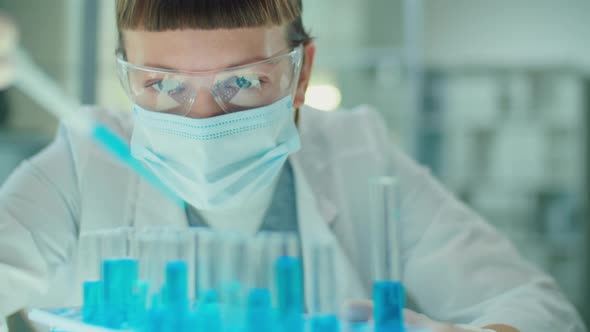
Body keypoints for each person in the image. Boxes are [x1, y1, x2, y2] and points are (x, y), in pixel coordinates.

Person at [0, 1, 586, 332]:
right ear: (127, 73)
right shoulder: (83, 161)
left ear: (301, 73)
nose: (203, 118)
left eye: (243, 81)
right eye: (162, 85)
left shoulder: (358, 153)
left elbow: (542, 312)